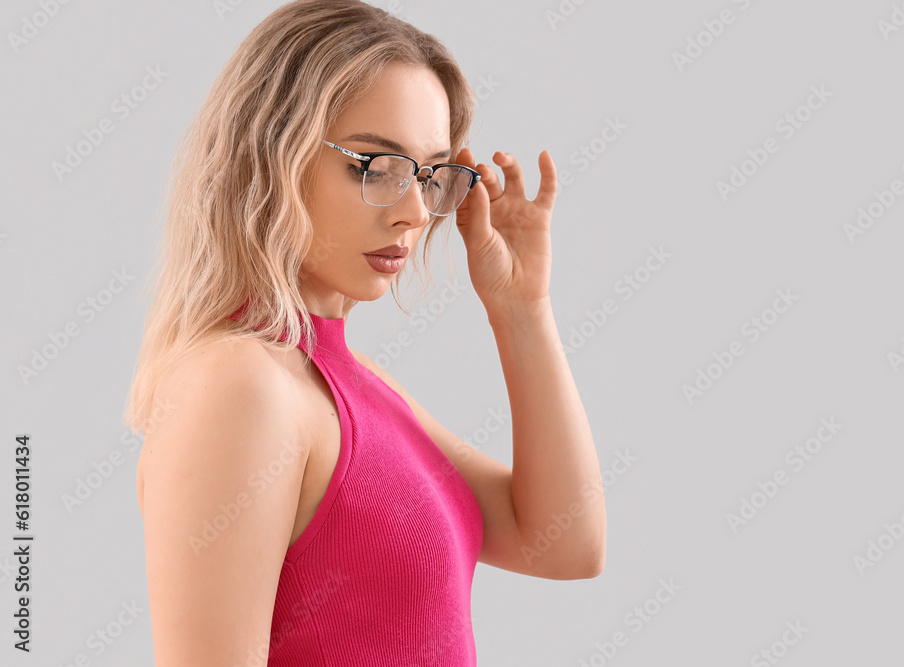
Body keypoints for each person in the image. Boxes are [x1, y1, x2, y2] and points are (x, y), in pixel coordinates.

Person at [122, 1, 606, 664]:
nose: (413, 212)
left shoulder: (345, 381)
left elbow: (563, 541)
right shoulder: (240, 383)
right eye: (376, 167)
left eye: (431, 174)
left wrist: (522, 310)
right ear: (273, 154)